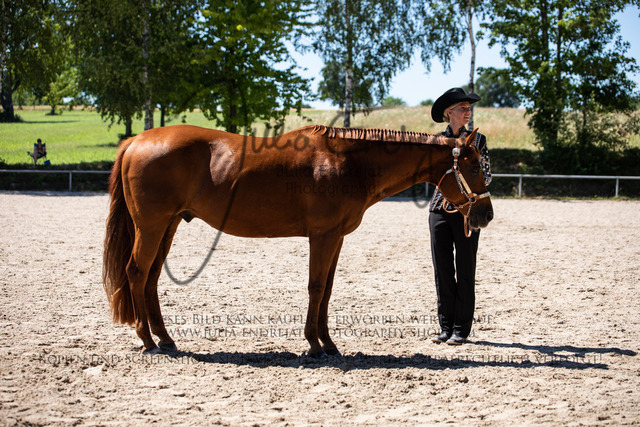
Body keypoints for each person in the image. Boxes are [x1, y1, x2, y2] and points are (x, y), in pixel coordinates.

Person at [428, 88, 491, 345]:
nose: (467, 111)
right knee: (442, 270)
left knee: (465, 268)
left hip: (467, 209)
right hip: (439, 210)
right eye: (462, 108)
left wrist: (463, 193)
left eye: (468, 108)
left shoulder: (478, 140)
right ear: (449, 112)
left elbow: (486, 175)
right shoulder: (436, 142)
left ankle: (461, 329)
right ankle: (445, 327)